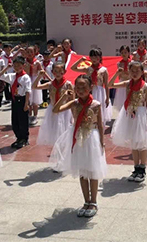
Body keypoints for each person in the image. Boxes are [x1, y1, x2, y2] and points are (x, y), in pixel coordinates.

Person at [50, 75, 107, 218]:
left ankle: (93, 202)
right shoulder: (74, 103)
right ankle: (86, 201)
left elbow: (100, 125)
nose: (81, 90)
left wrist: (102, 141)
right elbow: (56, 110)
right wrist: (64, 96)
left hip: (91, 138)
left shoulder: (96, 104)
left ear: (90, 88)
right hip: (77, 138)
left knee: (92, 171)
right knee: (82, 171)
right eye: (78, 87)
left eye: (84, 87)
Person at [109, 61, 147, 182]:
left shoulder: (145, 86)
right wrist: (117, 73)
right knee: (134, 142)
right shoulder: (127, 84)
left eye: (137, 71)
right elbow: (110, 84)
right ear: (129, 72)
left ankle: (142, 169)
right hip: (129, 114)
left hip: (141, 115)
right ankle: (136, 168)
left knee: (142, 143)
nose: (135, 73)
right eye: (132, 71)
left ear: (142, 72)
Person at [33, 62, 73, 147]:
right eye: (55, 71)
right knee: (54, 129)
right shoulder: (50, 84)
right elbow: (34, 87)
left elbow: (72, 100)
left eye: (60, 71)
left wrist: (73, 115)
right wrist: (39, 76)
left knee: (65, 129)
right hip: (52, 109)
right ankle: (56, 146)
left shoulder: (68, 84)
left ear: (64, 72)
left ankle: (64, 146)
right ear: (52, 72)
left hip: (64, 110)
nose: (58, 74)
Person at [71, 48, 111, 124]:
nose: (94, 59)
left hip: (100, 91)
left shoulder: (103, 70)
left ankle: (99, 123)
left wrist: (107, 98)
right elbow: (73, 68)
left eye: (96, 57)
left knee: (98, 107)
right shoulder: (88, 69)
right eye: (92, 57)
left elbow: (106, 85)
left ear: (100, 58)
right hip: (89, 90)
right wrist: (80, 60)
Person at [0, 56, 32, 148]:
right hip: (14, 99)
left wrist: (26, 103)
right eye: (15, 66)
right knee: (15, 120)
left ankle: (24, 139)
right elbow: (0, 76)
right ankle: (18, 138)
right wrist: (7, 67)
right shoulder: (12, 76)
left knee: (23, 120)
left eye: (19, 65)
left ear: (23, 66)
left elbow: (28, 91)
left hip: (22, 99)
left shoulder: (25, 77)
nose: (17, 67)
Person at [24, 46, 41, 125]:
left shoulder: (37, 62)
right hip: (27, 80)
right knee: (28, 100)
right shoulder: (24, 62)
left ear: (34, 53)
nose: (29, 54)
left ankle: (35, 116)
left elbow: (42, 72)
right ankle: (29, 115)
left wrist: (50, 79)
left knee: (35, 100)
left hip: (35, 80)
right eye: (28, 52)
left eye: (31, 52)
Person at [113, 45, 132, 111]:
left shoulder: (132, 63)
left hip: (130, 81)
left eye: (125, 52)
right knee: (122, 99)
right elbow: (119, 75)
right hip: (122, 81)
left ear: (129, 53)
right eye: (122, 53)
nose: (124, 54)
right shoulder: (119, 63)